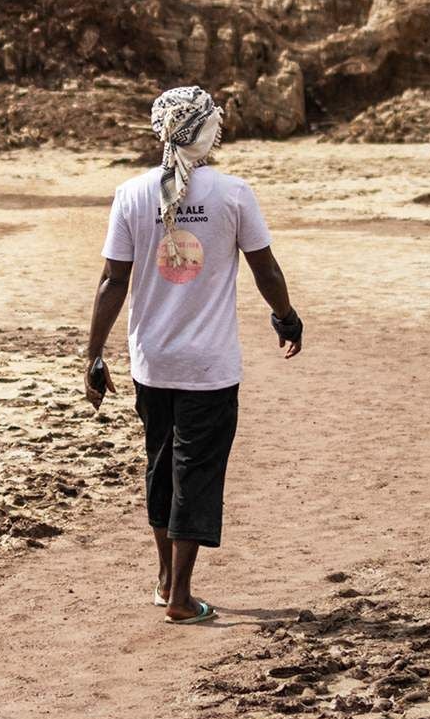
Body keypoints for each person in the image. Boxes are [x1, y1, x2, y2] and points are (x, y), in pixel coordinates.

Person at [83, 84, 301, 623]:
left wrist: (92, 355)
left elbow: (113, 281)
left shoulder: (131, 193)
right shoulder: (232, 192)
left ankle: (164, 582)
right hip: (209, 367)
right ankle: (181, 597)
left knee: (159, 469)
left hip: (151, 363)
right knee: (195, 473)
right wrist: (286, 317)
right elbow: (265, 269)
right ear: (208, 131)